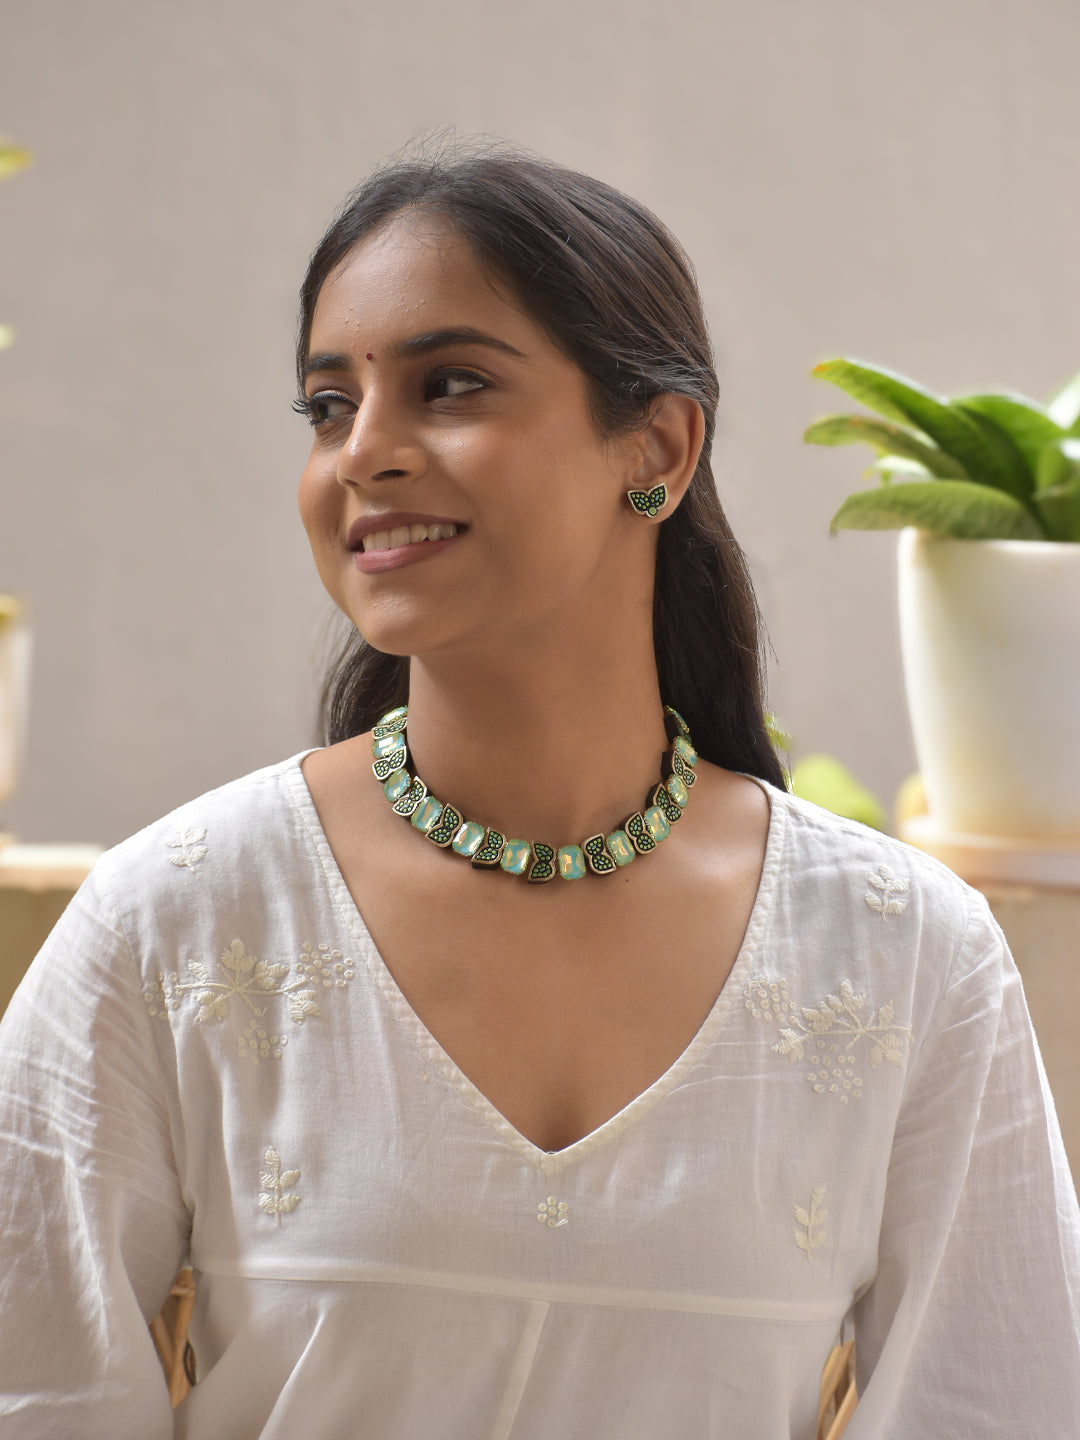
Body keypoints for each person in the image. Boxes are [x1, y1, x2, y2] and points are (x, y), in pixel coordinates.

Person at [1, 147, 1078, 1439]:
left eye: (448, 385)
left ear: (660, 448)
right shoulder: (173, 923)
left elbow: (1001, 1400)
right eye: (329, 406)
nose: (365, 454)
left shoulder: (909, 959)